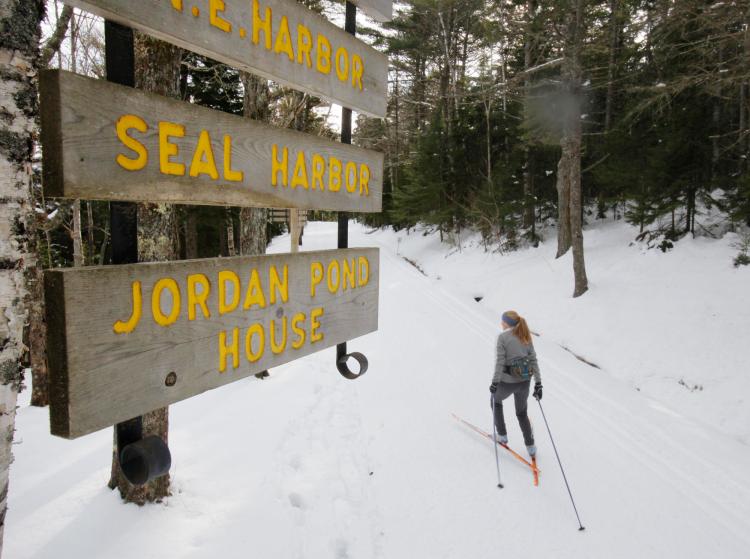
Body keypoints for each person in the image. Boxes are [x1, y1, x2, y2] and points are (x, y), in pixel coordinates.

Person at [489, 310, 543, 457]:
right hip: (525, 383)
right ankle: (531, 447)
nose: (501, 323)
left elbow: (500, 362)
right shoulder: (526, 336)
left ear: (507, 323)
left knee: (495, 401)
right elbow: (533, 361)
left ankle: (502, 436)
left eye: (503, 321)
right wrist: (538, 384)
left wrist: (494, 383)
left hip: (507, 382)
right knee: (521, 413)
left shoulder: (502, 338)